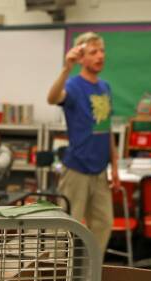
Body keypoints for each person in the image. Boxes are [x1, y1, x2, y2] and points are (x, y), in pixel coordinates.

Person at [46, 31, 119, 255]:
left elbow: (106, 130)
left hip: (99, 171)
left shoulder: (105, 88)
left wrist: (114, 167)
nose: (100, 56)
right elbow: (52, 98)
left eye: (102, 51)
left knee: (104, 223)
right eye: (93, 52)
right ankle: (55, 276)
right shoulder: (74, 85)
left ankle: (88, 272)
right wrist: (66, 68)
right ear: (81, 58)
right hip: (77, 168)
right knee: (67, 228)